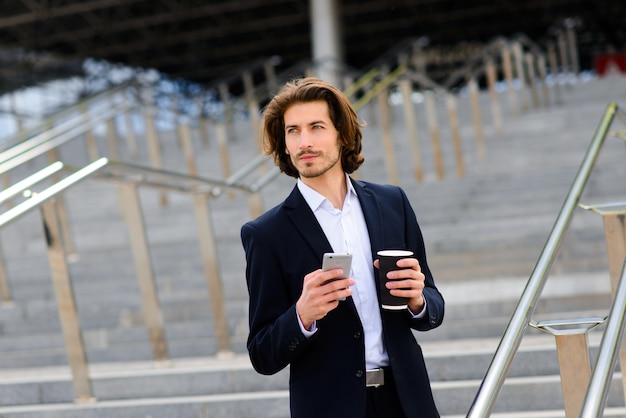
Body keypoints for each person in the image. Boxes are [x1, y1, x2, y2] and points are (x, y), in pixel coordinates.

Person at [240, 77, 444, 418]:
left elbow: (432, 303)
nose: (304, 141)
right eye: (293, 131)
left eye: (316, 127)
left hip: (407, 401)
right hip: (328, 407)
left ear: (341, 134)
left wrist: (418, 300)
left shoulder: (392, 203)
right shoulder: (266, 234)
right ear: (285, 144)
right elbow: (262, 353)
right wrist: (302, 315)